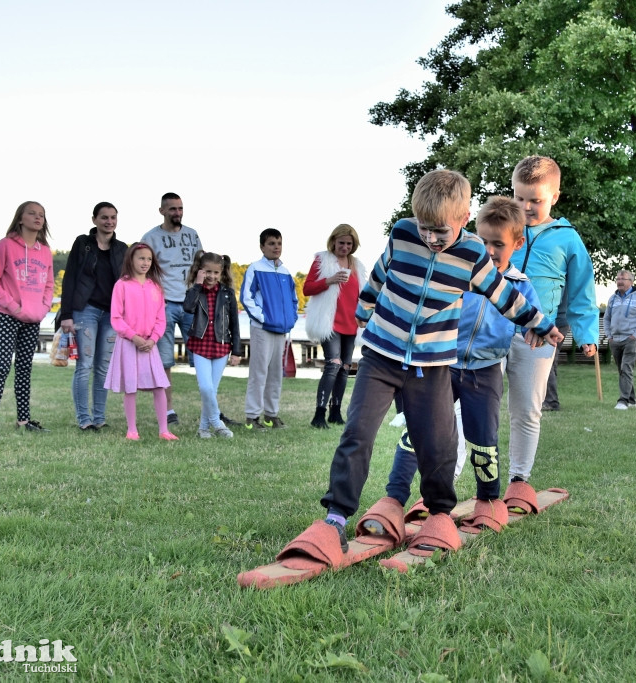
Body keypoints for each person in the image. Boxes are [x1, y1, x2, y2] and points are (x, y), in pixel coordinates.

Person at [313, 169, 562, 553]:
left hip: (431, 367)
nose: (430, 238)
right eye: (424, 227)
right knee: (357, 433)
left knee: (437, 445)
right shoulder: (402, 233)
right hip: (381, 356)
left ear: (463, 221)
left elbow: (504, 296)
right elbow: (379, 275)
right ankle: (336, 518)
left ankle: (440, 514)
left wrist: (541, 325)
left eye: (440, 231)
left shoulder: (473, 255)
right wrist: (364, 312)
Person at [380, 196, 540, 517]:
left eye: (499, 244)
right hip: (442, 365)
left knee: (483, 439)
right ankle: (394, 497)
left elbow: (530, 320)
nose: (490, 250)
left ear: (518, 243)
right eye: (483, 241)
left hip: (485, 372)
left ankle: (488, 501)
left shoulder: (520, 286)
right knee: (420, 429)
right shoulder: (454, 272)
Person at [507, 155, 599, 485]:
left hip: (537, 336)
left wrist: (588, 333)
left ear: (555, 197)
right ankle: (450, 477)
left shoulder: (567, 239)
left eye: (536, 200)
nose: (526, 207)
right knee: (469, 406)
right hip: (491, 333)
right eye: (519, 198)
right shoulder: (501, 226)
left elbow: (582, 291)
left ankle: (519, 479)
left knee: (527, 410)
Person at [0, 202, 55, 437]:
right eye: (32, 213)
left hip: (33, 318)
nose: (37, 218)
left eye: (41, 215)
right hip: (8, 316)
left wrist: (43, 307)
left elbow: (49, 284)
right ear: (20, 218)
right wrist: (13, 306)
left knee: (24, 369)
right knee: (1, 367)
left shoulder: (45, 251)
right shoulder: (5, 246)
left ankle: (24, 421)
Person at [59, 202, 128, 431]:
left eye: (113, 217)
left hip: (112, 314)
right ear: (94, 220)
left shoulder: (122, 248)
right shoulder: (83, 244)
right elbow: (69, 278)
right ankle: (84, 419)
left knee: (103, 368)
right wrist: (66, 314)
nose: (109, 222)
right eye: (104, 217)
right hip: (85, 310)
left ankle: (99, 418)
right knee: (85, 365)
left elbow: (127, 284)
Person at [140, 193, 205, 425]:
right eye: (172, 209)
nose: (177, 213)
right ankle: (168, 411)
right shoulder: (150, 238)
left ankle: (209, 408)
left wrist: (201, 293)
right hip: (164, 304)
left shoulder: (192, 234)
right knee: (165, 359)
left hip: (191, 302)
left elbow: (202, 265)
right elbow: (142, 270)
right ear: (162, 211)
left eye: (180, 208)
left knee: (202, 355)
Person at [104, 243, 176, 441]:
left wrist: (153, 339)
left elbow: (161, 319)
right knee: (131, 386)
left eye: (149, 259)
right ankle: (132, 430)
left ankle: (164, 430)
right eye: (141, 258)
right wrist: (133, 337)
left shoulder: (156, 287)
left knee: (159, 385)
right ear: (131, 260)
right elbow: (116, 318)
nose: (145, 262)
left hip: (150, 345)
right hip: (129, 343)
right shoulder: (122, 285)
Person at [303, 224, 368, 429]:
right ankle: (319, 414)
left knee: (344, 369)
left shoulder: (357, 265)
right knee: (333, 365)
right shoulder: (322, 260)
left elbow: (361, 295)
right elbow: (307, 288)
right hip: (329, 322)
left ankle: (336, 412)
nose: (345, 247)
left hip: (351, 322)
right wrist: (329, 280)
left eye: (349, 244)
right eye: (341, 243)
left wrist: (364, 315)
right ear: (333, 241)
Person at [240, 228, 298, 431]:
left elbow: (293, 299)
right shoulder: (255, 269)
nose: (276, 247)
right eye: (272, 243)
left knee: (275, 373)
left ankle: (271, 415)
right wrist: (264, 318)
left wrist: (291, 318)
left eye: (279, 243)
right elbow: (246, 297)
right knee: (259, 373)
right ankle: (252, 417)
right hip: (262, 329)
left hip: (281, 331)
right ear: (262, 246)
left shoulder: (285, 272)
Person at [183, 251, 242, 439]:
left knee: (212, 391)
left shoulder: (227, 293)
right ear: (201, 271)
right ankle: (217, 422)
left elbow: (234, 322)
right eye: (208, 272)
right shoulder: (195, 291)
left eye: (216, 273)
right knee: (205, 388)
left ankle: (203, 428)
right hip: (200, 345)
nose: (212, 276)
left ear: (222, 273)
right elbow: (187, 307)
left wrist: (236, 350)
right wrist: (198, 285)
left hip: (221, 345)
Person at [604, 269, 636, 410]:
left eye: (623, 279)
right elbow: (607, 318)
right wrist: (609, 336)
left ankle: (623, 401)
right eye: (618, 279)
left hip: (631, 339)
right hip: (615, 339)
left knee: (626, 368)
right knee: (622, 371)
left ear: (631, 282)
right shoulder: (612, 299)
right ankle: (632, 400)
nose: (620, 282)